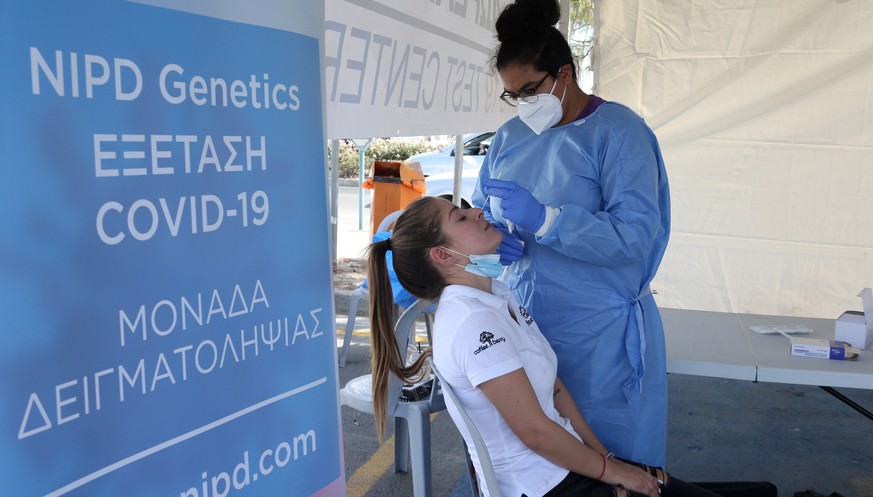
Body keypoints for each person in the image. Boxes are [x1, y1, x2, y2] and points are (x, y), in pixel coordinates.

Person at [366, 197, 714, 497]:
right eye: (460, 216)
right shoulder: (473, 321)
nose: (476, 212)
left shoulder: (496, 294)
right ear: (443, 254)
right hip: (542, 485)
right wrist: (614, 474)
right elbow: (534, 432)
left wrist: (605, 457)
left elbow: (555, 385)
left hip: (564, 464)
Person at [472, 0, 672, 467]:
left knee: (616, 463)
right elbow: (482, 216)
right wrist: (495, 244)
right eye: (512, 95)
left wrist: (549, 221)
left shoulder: (620, 134)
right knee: (546, 458)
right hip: (530, 324)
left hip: (601, 335)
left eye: (530, 89)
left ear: (565, 73)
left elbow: (638, 234)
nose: (523, 104)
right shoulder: (509, 138)